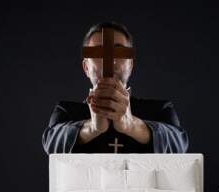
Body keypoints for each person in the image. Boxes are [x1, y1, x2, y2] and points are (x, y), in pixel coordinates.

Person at [42, 21, 189, 154]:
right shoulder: (66, 111)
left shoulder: (160, 110)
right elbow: (51, 144)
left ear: (130, 65)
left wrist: (131, 125)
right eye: (98, 52)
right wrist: (91, 128)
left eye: (119, 52)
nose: (110, 60)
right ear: (86, 67)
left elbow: (179, 145)